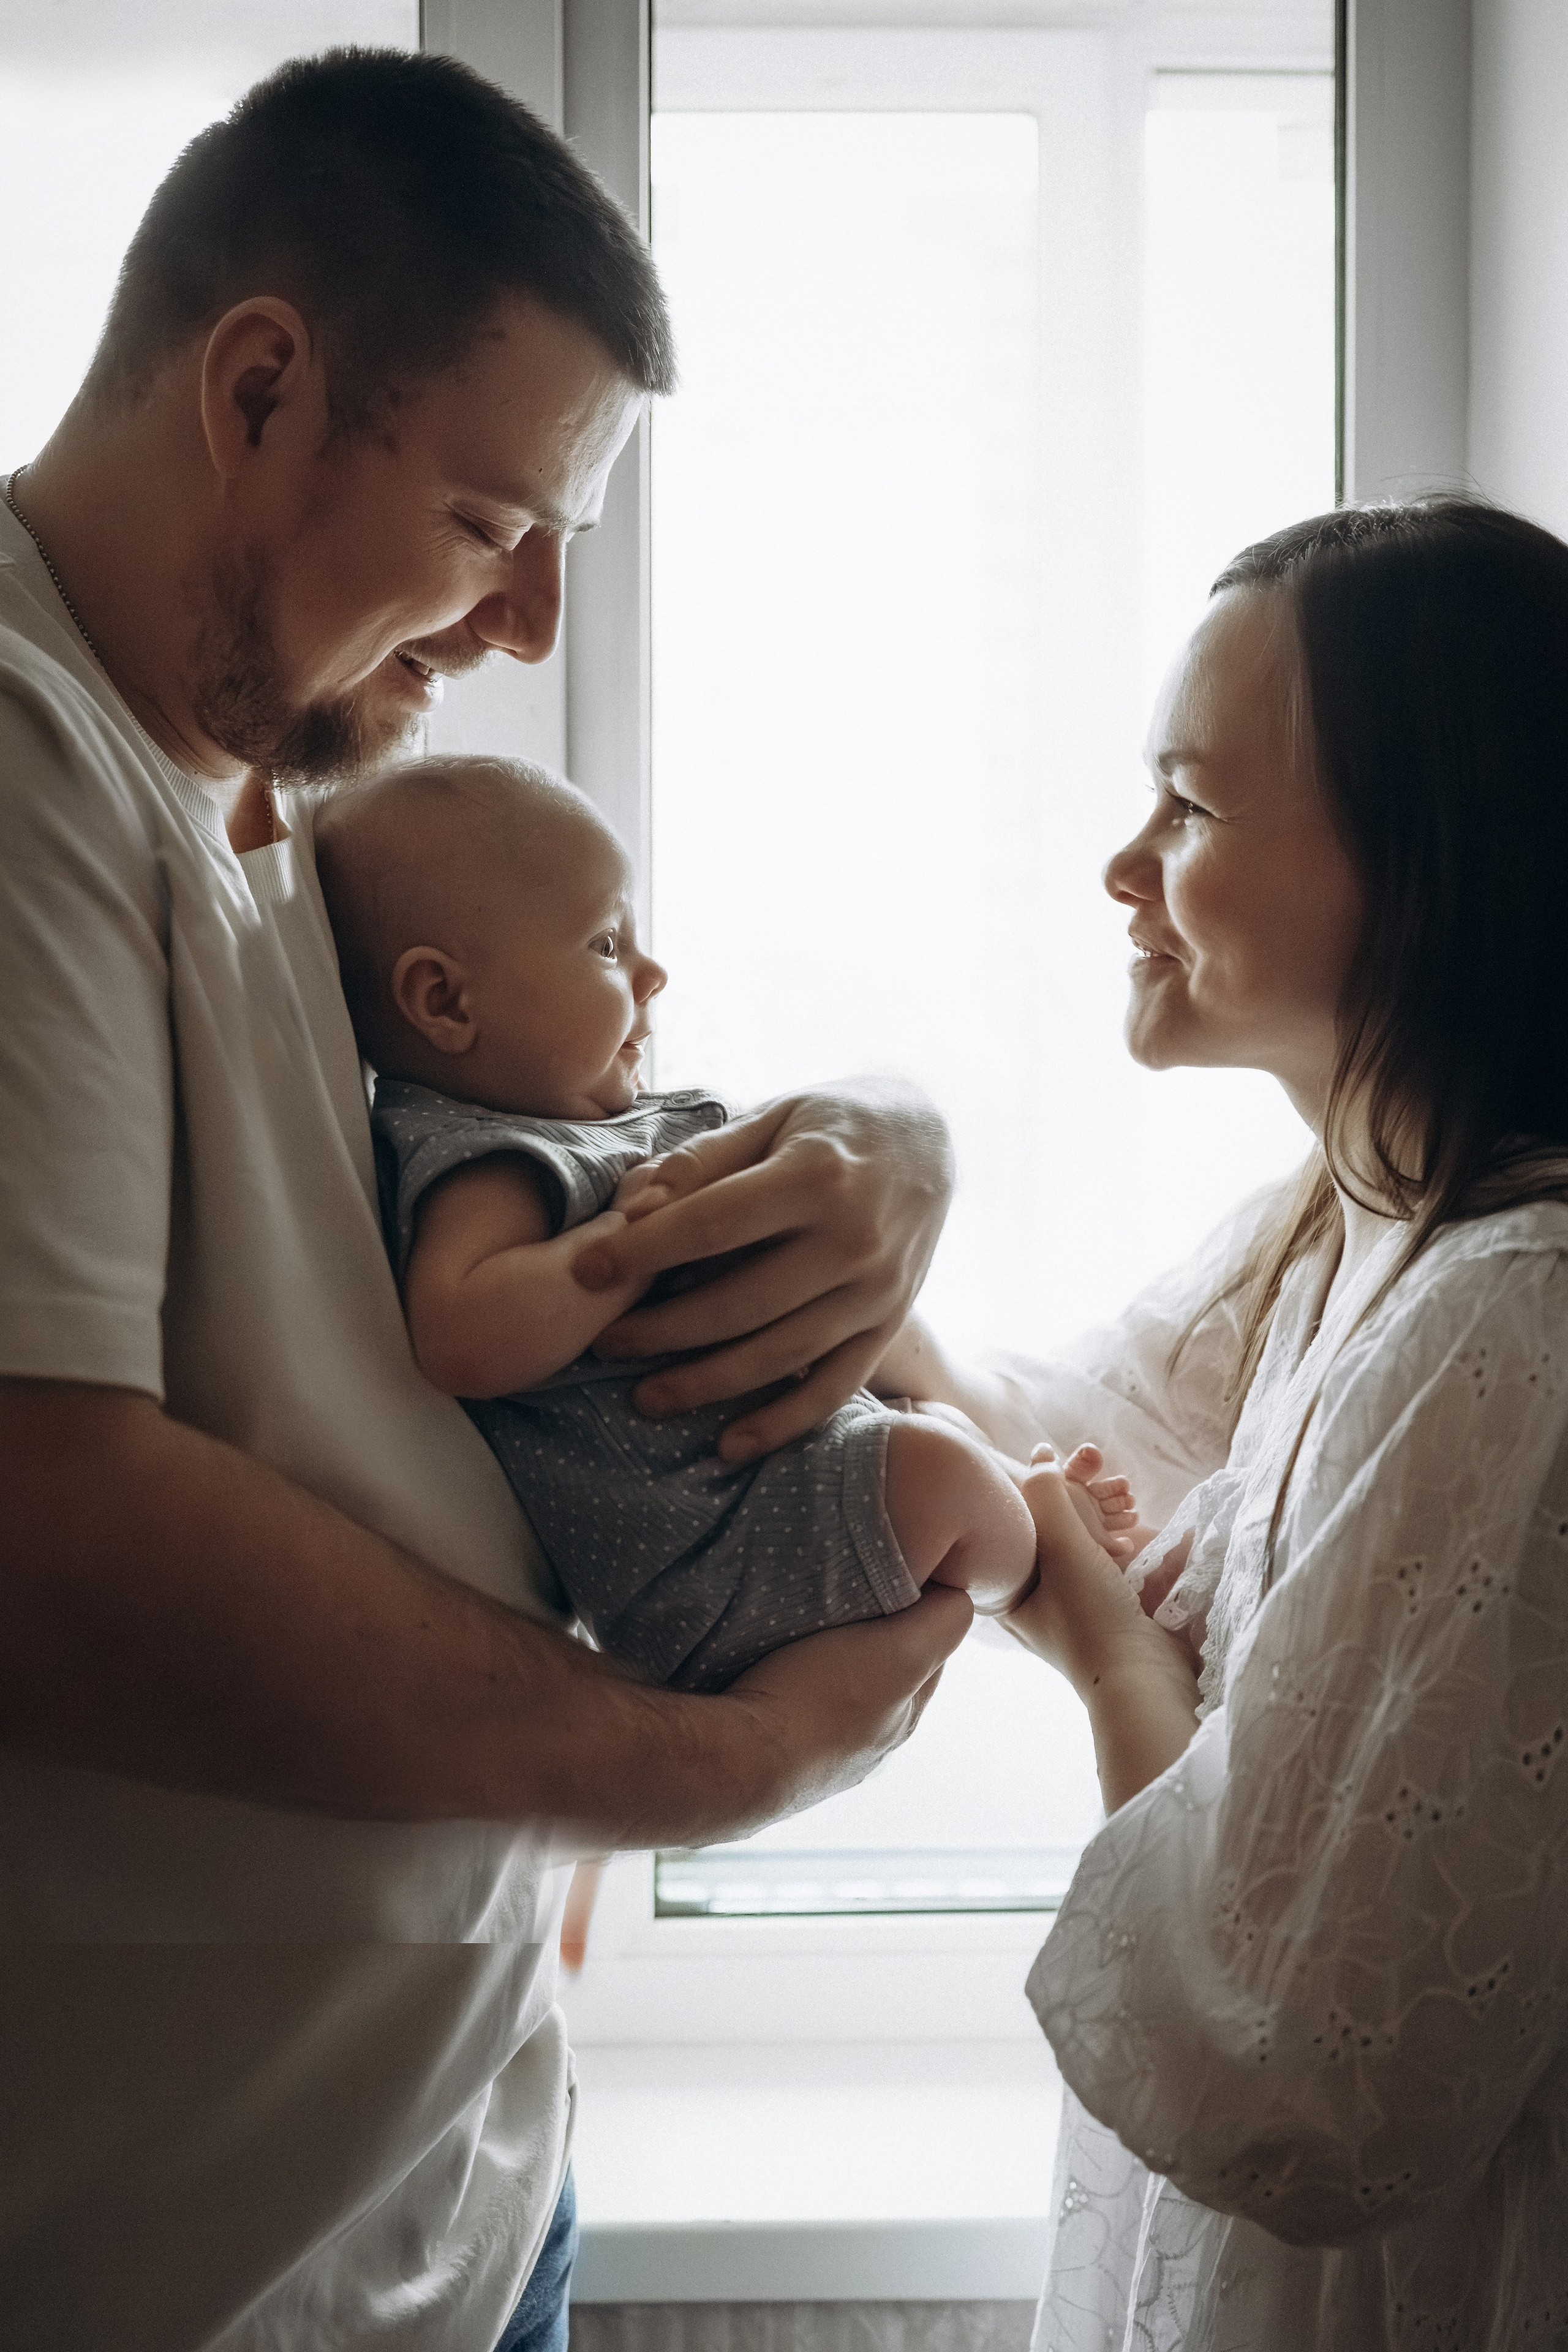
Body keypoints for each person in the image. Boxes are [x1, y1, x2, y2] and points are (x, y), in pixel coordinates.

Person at [0, 48, 974, 2352]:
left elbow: (566, 1087)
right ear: (258, 388)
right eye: (485, 522)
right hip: (178, 2269)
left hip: (438, 2184)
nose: (528, 623)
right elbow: (44, 1536)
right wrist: (713, 1763)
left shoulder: (268, 779)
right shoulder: (27, 762)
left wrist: (897, 1131)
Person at [880, 499, 1568, 2350]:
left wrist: (1101, 1641)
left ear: (1426, 855)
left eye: (1189, 803)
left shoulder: (1516, 1314)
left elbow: (1303, 2075)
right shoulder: (1346, 1223)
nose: (1124, 863)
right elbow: (1057, 1416)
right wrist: (858, 1155)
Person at [312, 753, 1145, 1688]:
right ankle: (1049, 1566)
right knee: (943, 1479)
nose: (651, 972)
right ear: (446, 1002)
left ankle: (1021, 1500)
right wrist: (619, 1254)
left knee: (934, 1431)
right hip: (707, 1551)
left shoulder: (584, 1125)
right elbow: (460, 1334)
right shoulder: (486, 1160)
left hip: (764, 1489)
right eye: (605, 945)